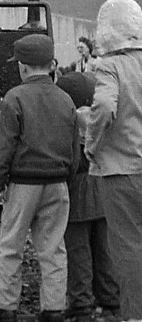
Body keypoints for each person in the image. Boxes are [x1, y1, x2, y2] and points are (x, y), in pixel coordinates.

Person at [0, 33, 80, 322]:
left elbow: (4, 147)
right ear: (51, 64)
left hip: (23, 185)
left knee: (10, 247)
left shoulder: (14, 98)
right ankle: (53, 311)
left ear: (23, 67)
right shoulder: (66, 100)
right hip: (57, 184)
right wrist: (68, 178)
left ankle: (6, 310)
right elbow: (74, 148)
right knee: (53, 250)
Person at [85, 0, 142, 322]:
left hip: (122, 172)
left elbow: (105, 108)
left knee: (129, 250)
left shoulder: (110, 66)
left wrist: (91, 142)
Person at [56, 72, 119, 322]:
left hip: (79, 192)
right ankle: (110, 298)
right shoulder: (105, 118)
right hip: (105, 190)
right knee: (104, 248)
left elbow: (71, 161)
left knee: (78, 249)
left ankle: (81, 302)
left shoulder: (73, 122)